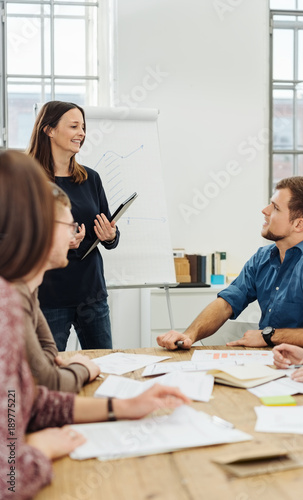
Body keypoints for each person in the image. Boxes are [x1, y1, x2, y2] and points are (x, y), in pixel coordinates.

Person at [0, 150, 190, 500]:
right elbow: (7, 478)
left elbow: (29, 399)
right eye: (68, 224)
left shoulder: (20, 294)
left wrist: (123, 407)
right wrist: (38, 450)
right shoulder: (6, 304)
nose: (76, 233)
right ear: (35, 225)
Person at [157, 176, 303, 350]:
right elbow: (226, 304)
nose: (265, 210)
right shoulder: (262, 257)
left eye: (276, 208)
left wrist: (269, 336)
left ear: (298, 224)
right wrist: (189, 335)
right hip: (267, 362)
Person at [27, 100, 120, 351]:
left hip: (92, 294)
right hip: (49, 297)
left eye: (83, 127)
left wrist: (109, 235)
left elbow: (111, 234)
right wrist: (55, 242)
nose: (82, 133)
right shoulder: (28, 179)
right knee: (48, 372)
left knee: (104, 366)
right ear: (49, 130)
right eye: (74, 126)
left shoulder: (90, 178)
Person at [13, 184, 100, 392]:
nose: (74, 237)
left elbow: (50, 353)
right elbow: (48, 381)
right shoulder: (13, 295)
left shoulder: (28, 288)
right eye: (69, 226)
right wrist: (82, 368)